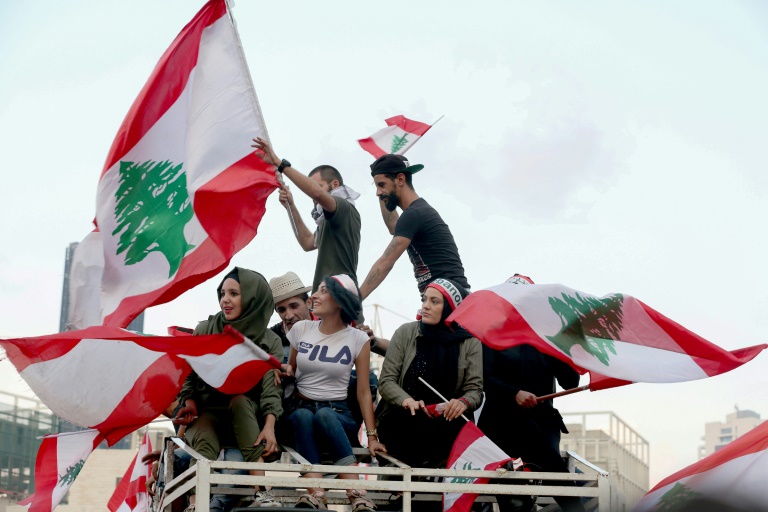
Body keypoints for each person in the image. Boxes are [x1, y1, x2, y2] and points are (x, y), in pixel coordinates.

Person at [174, 268, 284, 510]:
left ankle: (262, 492)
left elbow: (271, 390)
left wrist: (269, 426)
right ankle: (196, 503)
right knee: (206, 444)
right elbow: (188, 375)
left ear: (254, 298)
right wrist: (189, 400)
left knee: (240, 400)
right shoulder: (205, 330)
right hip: (205, 412)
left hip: (245, 417)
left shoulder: (269, 341)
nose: (225, 299)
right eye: (223, 293)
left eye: (234, 293)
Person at [478, 274, 585, 512]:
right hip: (499, 421)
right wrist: (514, 393)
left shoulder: (548, 335)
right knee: (506, 480)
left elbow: (570, 381)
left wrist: (568, 343)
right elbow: (482, 379)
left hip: (541, 422)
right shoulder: (489, 333)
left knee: (550, 464)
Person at [281, 274, 385, 511]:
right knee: (304, 416)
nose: (314, 296)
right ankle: (316, 493)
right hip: (301, 409)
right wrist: (277, 369)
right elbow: (292, 370)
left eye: (323, 291)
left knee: (324, 414)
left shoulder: (358, 338)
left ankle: (356, 493)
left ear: (339, 301)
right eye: (316, 290)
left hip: (338, 413)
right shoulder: (301, 329)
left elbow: (363, 393)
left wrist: (371, 436)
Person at [376, 278, 482, 470]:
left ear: (450, 308)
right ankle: (403, 491)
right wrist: (406, 400)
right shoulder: (405, 332)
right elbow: (386, 381)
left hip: (446, 420)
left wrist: (462, 403)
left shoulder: (470, 342)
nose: (425, 306)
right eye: (424, 300)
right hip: (404, 416)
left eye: (435, 302)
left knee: (457, 426)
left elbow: (475, 390)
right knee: (407, 421)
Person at [252, 137, 362, 294]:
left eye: (319, 185)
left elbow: (316, 193)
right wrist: (291, 206)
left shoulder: (343, 207)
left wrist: (279, 163)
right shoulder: (327, 220)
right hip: (325, 296)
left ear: (335, 184)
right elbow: (308, 243)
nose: (312, 196)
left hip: (338, 296)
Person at [359, 154, 470, 300]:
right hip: (445, 296)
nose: (377, 192)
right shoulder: (416, 212)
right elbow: (394, 227)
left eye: (381, 185)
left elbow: (386, 261)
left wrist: (353, 302)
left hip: (448, 297)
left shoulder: (414, 214)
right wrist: (383, 196)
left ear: (400, 179)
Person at [268, 271, 315, 363]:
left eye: (294, 306)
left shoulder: (330, 324)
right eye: (282, 310)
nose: (289, 316)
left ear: (308, 303)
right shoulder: (271, 338)